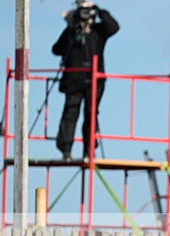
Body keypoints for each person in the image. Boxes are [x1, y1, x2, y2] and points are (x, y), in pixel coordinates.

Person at [52, 1, 119, 161]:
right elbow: (57, 49)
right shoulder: (71, 32)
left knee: (91, 113)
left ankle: (89, 150)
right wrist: (71, 26)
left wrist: (98, 11)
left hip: (95, 80)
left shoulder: (98, 31)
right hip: (74, 80)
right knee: (70, 112)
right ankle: (66, 149)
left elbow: (114, 26)